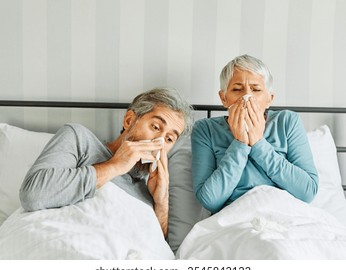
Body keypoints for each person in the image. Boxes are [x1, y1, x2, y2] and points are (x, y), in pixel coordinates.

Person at [20, 87, 194, 237]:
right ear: (129, 121)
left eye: (170, 139)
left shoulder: (151, 187)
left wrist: (161, 202)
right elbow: (32, 196)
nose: (160, 142)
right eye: (155, 127)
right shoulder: (79, 139)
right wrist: (115, 166)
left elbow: (154, 248)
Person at [191, 54, 318, 214]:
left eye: (256, 89)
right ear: (224, 98)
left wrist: (258, 143)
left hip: (284, 215)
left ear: (269, 98)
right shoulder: (205, 129)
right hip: (234, 218)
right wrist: (240, 143)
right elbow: (209, 200)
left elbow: (307, 191)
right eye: (237, 89)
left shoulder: (287, 121)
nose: (246, 97)